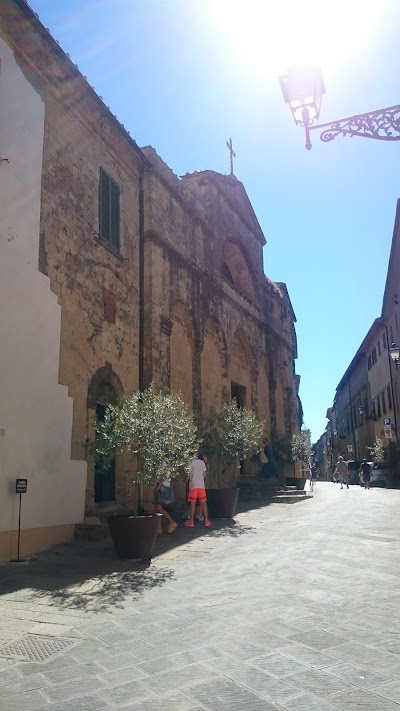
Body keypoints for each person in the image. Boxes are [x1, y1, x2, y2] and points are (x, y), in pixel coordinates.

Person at [184, 454, 211, 528]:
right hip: (201, 485)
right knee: (203, 503)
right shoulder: (202, 462)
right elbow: (204, 473)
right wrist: (201, 479)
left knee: (192, 503)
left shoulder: (191, 462)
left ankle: (191, 521)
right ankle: (206, 521)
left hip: (193, 485)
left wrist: (185, 483)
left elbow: (189, 474)